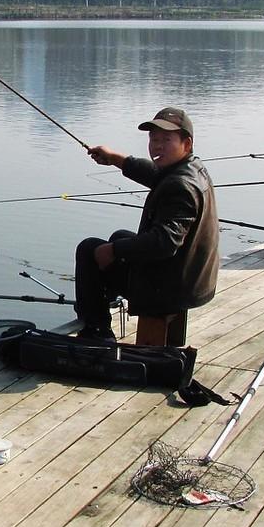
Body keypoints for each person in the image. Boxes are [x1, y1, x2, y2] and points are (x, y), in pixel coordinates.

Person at [76, 107, 219, 347]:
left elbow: (164, 242)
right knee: (119, 236)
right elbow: (155, 175)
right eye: (154, 139)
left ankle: (97, 330)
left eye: (166, 139)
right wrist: (115, 159)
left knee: (90, 249)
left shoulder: (180, 186)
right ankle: (102, 294)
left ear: (187, 143)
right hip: (191, 276)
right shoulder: (191, 168)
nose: (157, 145)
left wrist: (114, 251)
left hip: (172, 288)